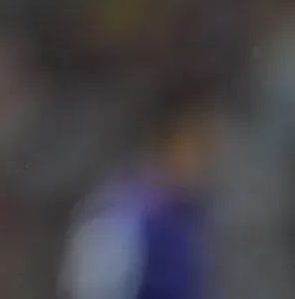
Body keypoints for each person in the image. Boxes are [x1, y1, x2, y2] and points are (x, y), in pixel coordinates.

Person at [58, 80, 222, 299]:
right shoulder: (124, 215)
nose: (203, 164)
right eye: (195, 150)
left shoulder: (189, 215)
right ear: (166, 145)